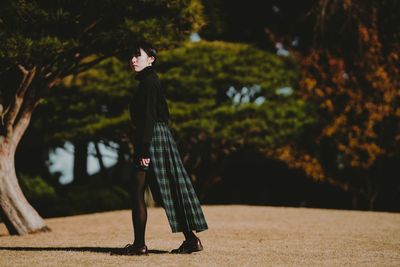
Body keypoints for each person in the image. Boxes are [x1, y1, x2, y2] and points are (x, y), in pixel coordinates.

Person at [123, 41, 208, 256]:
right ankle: (191, 240)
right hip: (156, 138)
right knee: (162, 193)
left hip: (152, 139)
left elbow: (150, 118)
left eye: (137, 55)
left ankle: (139, 245)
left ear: (151, 59)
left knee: (137, 191)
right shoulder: (147, 82)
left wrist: (143, 152)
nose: (133, 59)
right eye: (131, 56)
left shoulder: (149, 82)